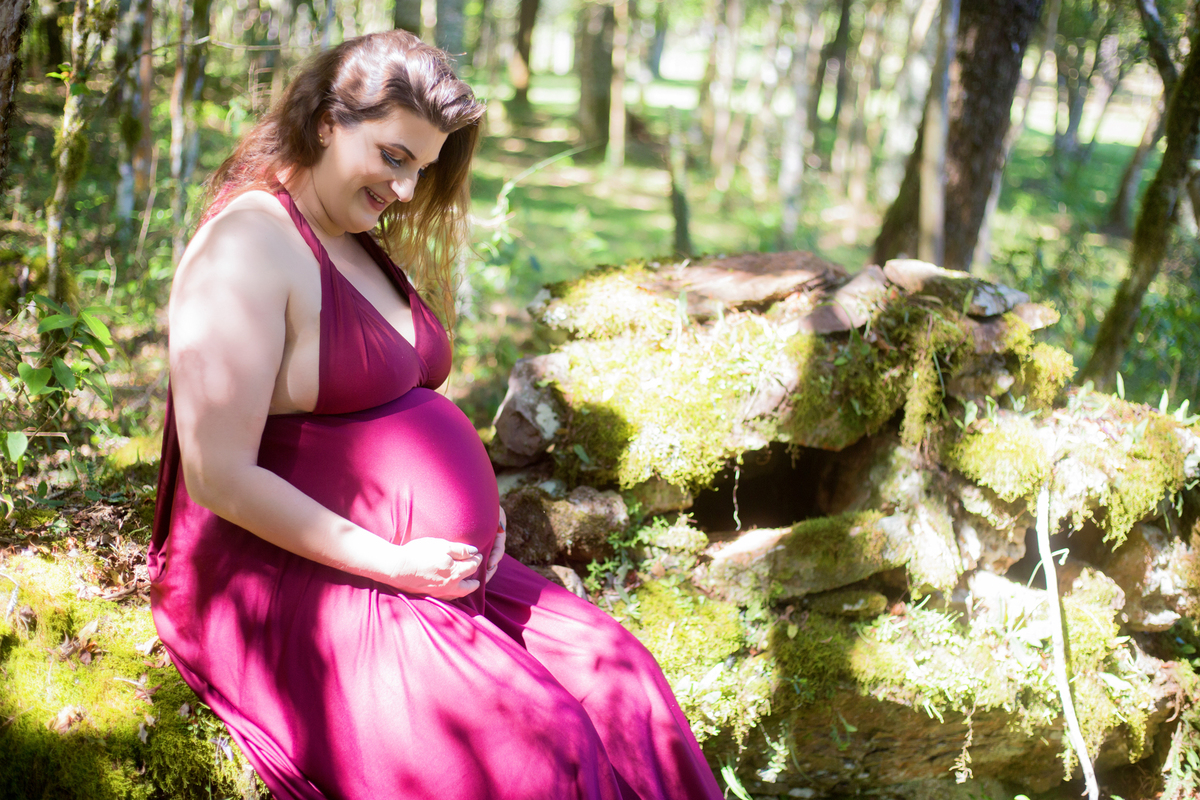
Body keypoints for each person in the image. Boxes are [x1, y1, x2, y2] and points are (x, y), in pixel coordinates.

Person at [150, 29, 723, 800]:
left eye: (421, 167)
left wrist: (463, 538)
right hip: (302, 583)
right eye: (394, 157)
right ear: (327, 121)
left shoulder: (352, 234)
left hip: (422, 577)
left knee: (623, 683)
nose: (410, 190)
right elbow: (218, 476)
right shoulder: (248, 245)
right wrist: (395, 561)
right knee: (543, 756)